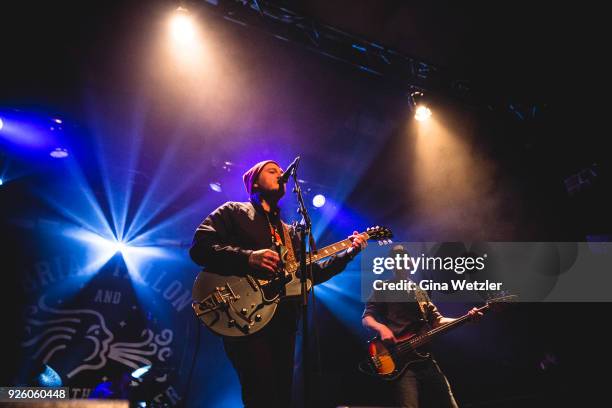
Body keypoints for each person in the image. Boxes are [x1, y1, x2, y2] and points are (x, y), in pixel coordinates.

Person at [189, 160, 367, 408]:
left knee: (282, 395)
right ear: (254, 182)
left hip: (283, 321)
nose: (281, 174)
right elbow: (200, 248)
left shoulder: (290, 231)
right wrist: (248, 258)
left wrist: (347, 253)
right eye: (272, 171)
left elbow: (309, 274)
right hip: (244, 315)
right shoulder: (233, 211)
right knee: (260, 393)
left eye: (282, 172)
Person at [362, 244, 482, 408]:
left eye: (404, 259)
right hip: (401, 362)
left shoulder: (420, 292)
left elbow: (437, 320)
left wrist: (466, 317)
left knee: (449, 403)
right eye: (396, 260)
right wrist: (382, 328)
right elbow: (367, 318)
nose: (400, 263)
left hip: (426, 359)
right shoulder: (382, 287)